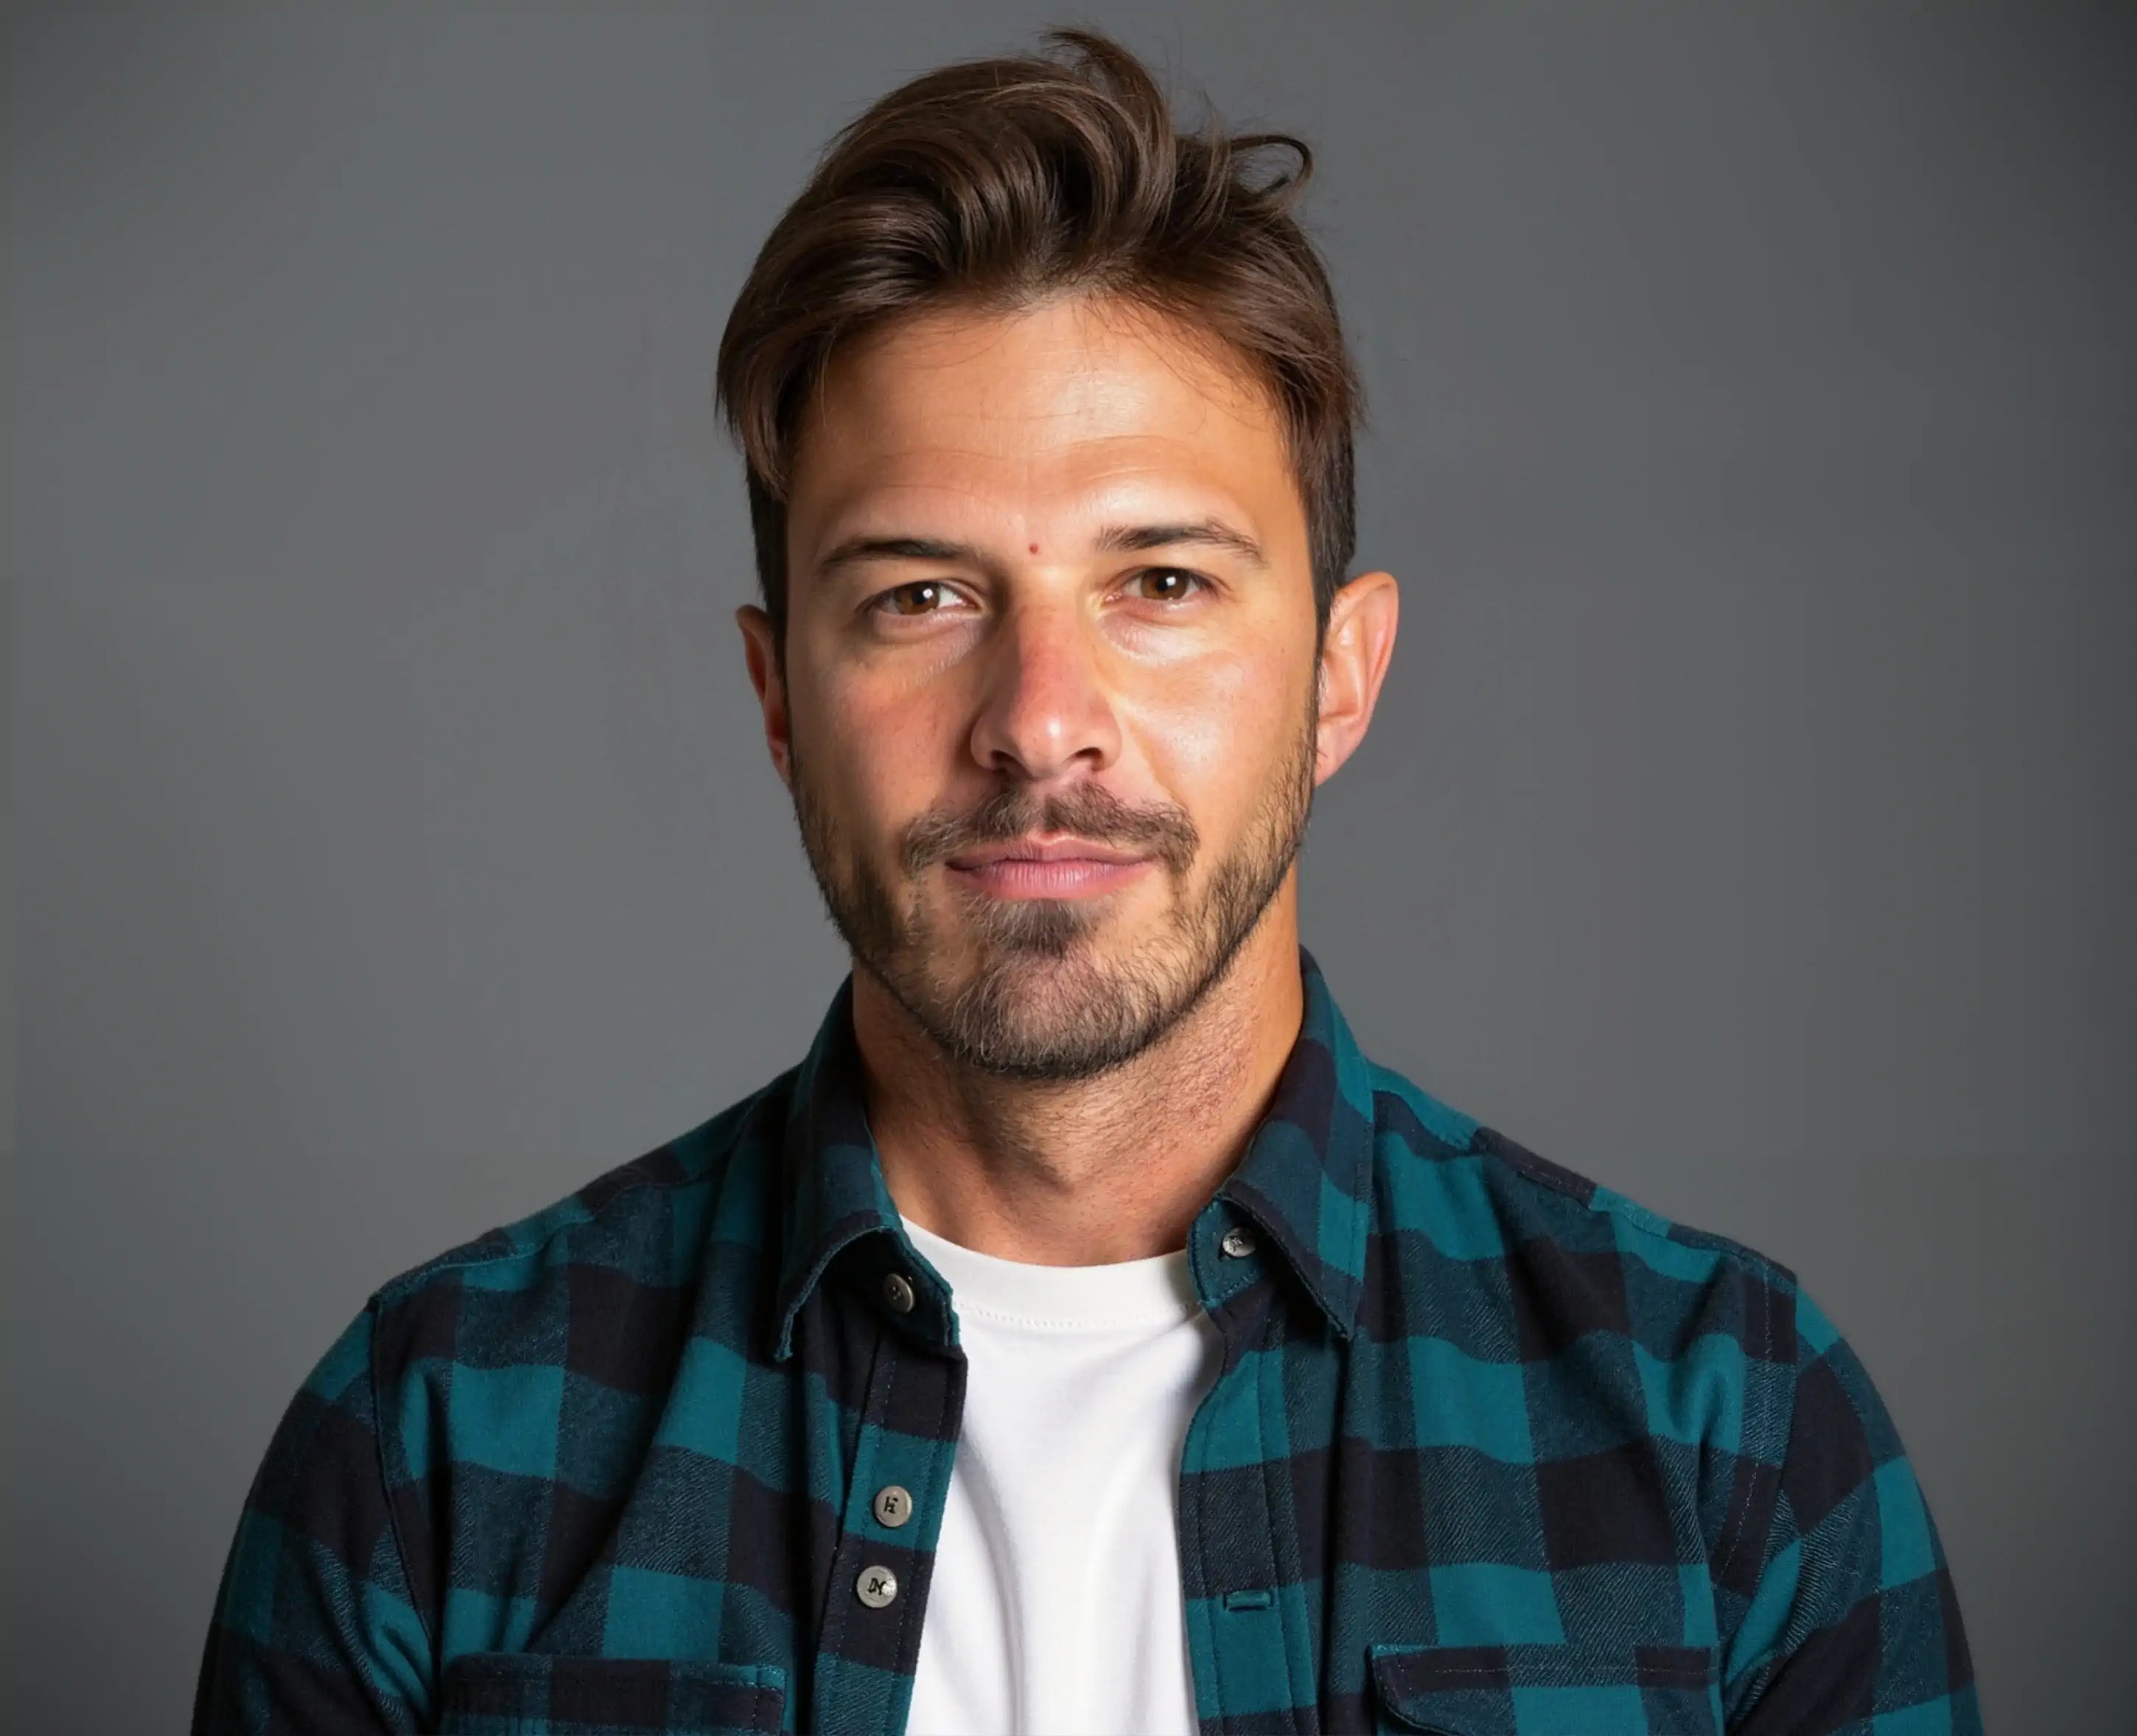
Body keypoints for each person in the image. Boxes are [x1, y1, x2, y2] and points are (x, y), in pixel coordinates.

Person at [191, 27, 1978, 1736]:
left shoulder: (1727, 1431)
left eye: (1166, 584)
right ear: (775, 698)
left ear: (1341, 675)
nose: (1041, 722)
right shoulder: (432, 1444)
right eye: (921, 595)